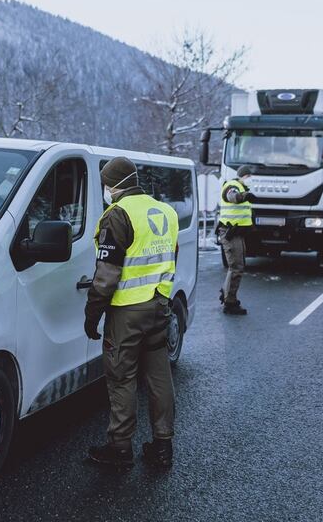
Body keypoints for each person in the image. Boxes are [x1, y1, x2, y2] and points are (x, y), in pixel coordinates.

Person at [84, 156, 178, 468]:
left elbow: (107, 274)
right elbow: (169, 258)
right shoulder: (166, 210)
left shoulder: (118, 215)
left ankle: (120, 448)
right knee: (158, 375)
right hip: (159, 306)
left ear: (114, 184)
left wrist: (92, 312)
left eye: (105, 183)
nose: (105, 188)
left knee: (122, 377)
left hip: (127, 312)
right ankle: (163, 445)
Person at [218, 165, 254, 315]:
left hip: (237, 233)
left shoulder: (242, 187)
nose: (251, 178)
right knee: (236, 267)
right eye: (249, 176)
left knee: (237, 266)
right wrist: (244, 196)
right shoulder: (233, 186)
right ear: (243, 175)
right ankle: (230, 302)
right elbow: (232, 197)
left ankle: (226, 293)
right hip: (230, 233)